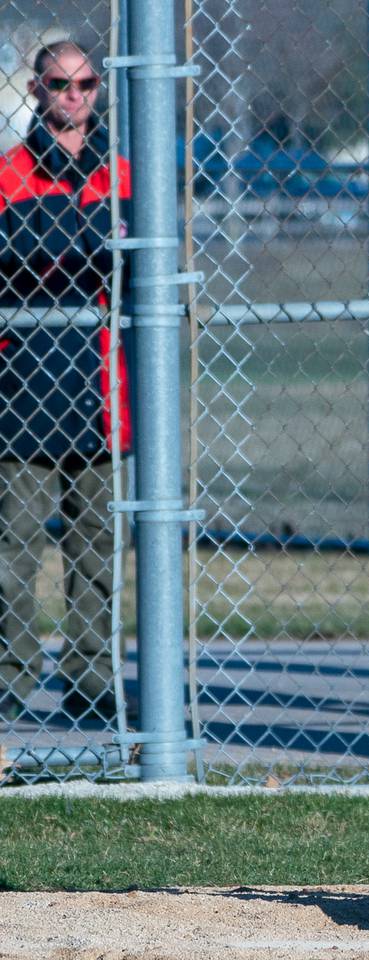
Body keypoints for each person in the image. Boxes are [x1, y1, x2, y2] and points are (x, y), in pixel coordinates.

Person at [0, 41, 132, 726]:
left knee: (96, 547)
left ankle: (88, 676)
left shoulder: (122, 177)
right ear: (37, 87)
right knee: (13, 550)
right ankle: (13, 676)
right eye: (60, 83)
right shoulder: (9, 178)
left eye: (85, 84)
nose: (74, 96)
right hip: (21, 391)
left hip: (101, 392)